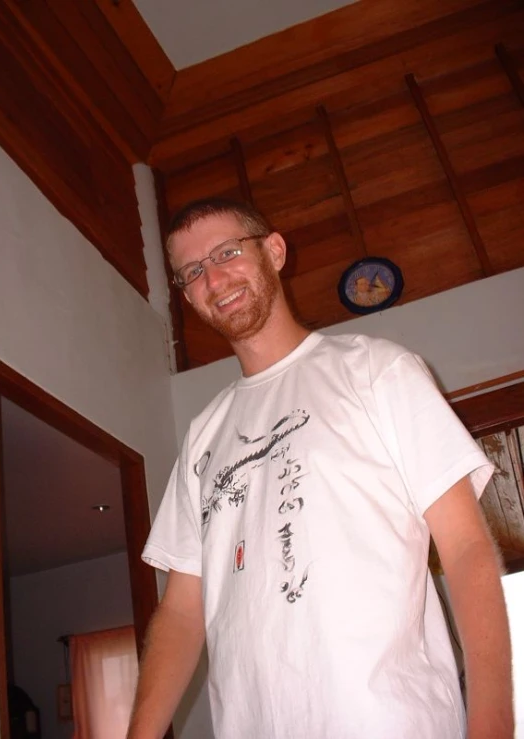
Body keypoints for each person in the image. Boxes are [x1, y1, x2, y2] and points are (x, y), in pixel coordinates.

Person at [127, 198, 513, 739]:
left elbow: (467, 547)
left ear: (275, 251)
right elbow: (182, 613)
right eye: (192, 272)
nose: (213, 279)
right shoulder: (201, 438)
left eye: (227, 253)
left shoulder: (379, 371)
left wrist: (492, 725)